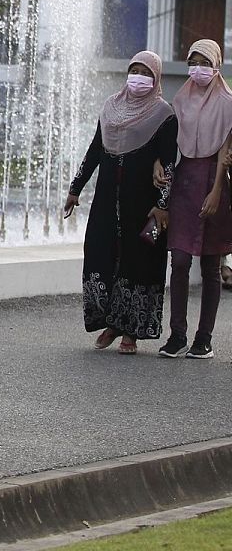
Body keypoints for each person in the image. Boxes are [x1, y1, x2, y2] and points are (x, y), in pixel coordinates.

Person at [64, 50, 177, 355]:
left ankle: (130, 332)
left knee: (137, 260)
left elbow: (168, 164)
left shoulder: (164, 114)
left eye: (146, 72)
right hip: (106, 200)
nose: (138, 77)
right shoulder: (111, 107)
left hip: (142, 204)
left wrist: (163, 205)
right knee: (102, 253)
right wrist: (76, 188)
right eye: (134, 70)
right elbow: (95, 150)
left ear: (156, 78)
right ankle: (111, 323)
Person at [160, 40, 232, 358]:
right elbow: (167, 144)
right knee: (179, 260)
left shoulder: (228, 102)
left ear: (216, 64)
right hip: (184, 182)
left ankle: (204, 338)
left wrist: (216, 191)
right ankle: (177, 334)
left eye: (205, 62)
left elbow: (224, 152)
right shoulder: (181, 98)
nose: (198, 68)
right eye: (194, 61)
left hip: (215, 181)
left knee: (210, 265)